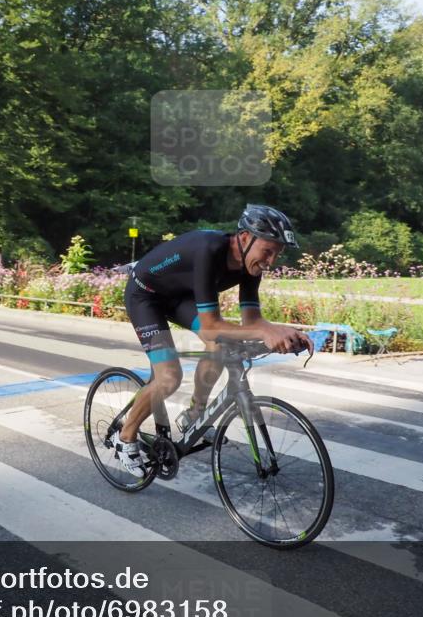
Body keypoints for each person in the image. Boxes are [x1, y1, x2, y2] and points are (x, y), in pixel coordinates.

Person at [115, 204, 313, 475]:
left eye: (277, 254)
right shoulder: (209, 250)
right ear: (245, 238)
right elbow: (210, 326)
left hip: (179, 297)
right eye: (268, 251)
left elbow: (253, 322)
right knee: (168, 378)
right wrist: (266, 333)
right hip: (146, 296)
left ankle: (195, 414)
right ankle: (125, 438)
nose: (271, 261)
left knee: (221, 345)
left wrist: (284, 333)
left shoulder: (251, 265)